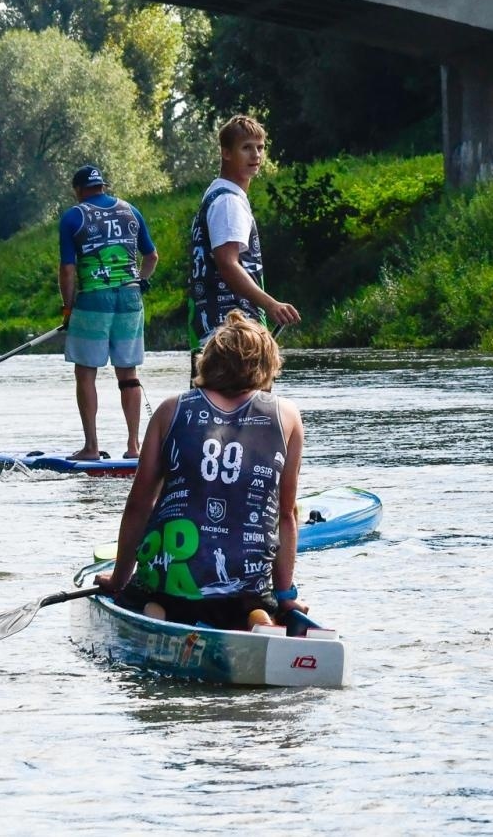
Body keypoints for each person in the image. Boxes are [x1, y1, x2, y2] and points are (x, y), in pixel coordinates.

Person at [95, 310, 307, 631]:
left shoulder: (171, 410)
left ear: (207, 362)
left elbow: (139, 503)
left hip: (174, 575)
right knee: (253, 600)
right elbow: (286, 514)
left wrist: (119, 578)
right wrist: (285, 594)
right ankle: (257, 616)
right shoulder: (288, 416)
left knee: (150, 595)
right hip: (244, 579)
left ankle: (155, 612)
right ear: (265, 368)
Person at [58, 164, 157, 460]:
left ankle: (90, 447)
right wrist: (141, 281)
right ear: (102, 185)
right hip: (130, 298)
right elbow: (151, 256)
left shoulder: (74, 216)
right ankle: (133, 446)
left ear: (78, 190)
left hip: (93, 299)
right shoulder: (131, 211)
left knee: (86, 372)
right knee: (128, 372)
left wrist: (67, 307)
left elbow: (67, 269)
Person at [188, 115, 299, 367]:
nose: (256, 155)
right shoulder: (228, 202)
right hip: (232, 330)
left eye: (260, 148)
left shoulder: (215, 194)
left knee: (212, 403)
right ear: (226, 153)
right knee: (247, 403)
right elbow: (228, 264)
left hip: (214, 328)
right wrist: (270, 304)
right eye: (246, 147)